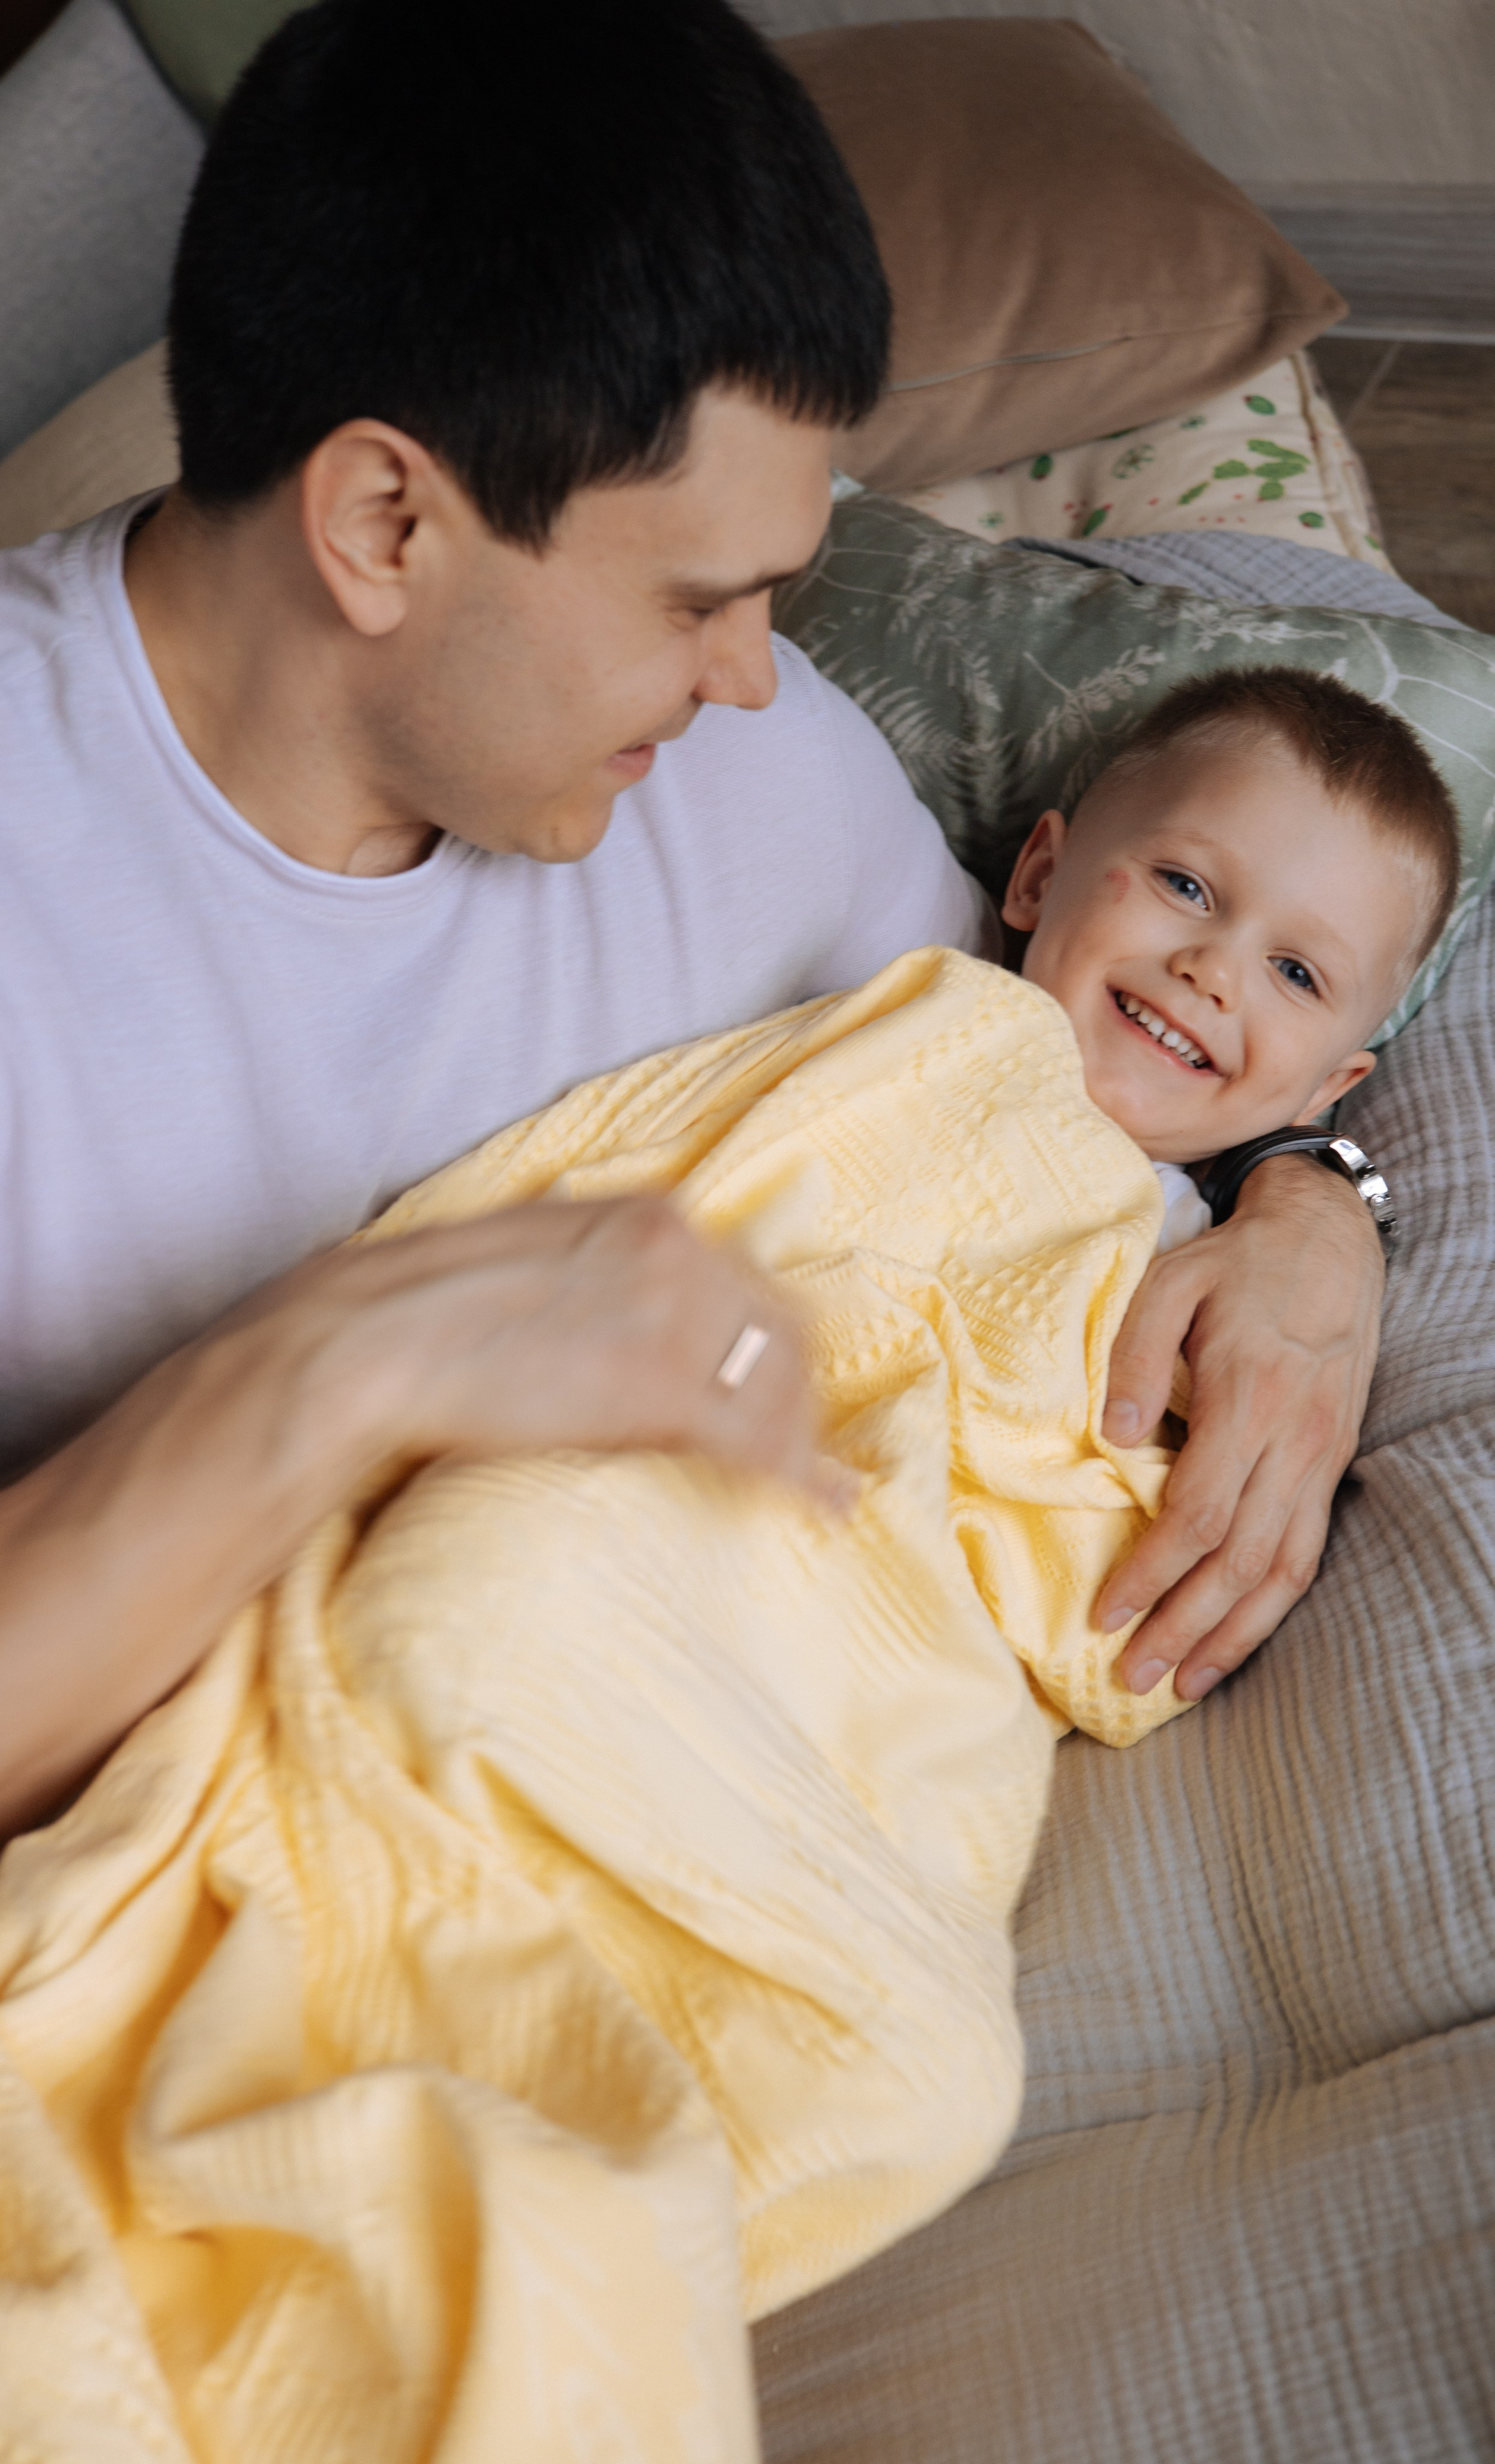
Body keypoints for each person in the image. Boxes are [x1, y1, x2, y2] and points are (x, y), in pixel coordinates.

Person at [0, 0, 1386, 1843]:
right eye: (695, 602)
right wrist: (354, 1356)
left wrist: (1315, 1214)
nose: (752, 677)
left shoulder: (763, 785)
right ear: (383, 526)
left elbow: (1046, 1110)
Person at [1001, 664, 1460, 1297]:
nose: (1214, 972)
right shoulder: (889, 1011)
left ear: (1321, 1091)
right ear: (1041, 878)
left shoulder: (1205, 1282)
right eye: (1185, 886)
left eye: (1297, 974)